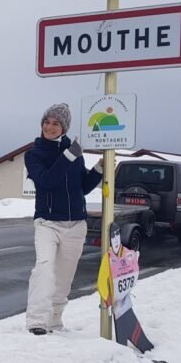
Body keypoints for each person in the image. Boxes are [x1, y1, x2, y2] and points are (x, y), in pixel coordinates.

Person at [24, 103, 103, 335]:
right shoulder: (34, 154)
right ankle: (37, 321)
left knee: (64, 277)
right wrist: (68, 156)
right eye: (46, 122)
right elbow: (47, 181)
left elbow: (83, 187)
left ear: (64, 127)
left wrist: (98, 170)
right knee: (44, 268)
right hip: (47, 223)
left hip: (76, 224)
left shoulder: (74, 153)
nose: (49, 127)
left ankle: (55, 321)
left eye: (55, 123)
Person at [97, 221, 154, 353]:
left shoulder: (126, 253)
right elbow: (101, 282)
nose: (115, 238)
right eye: (112, 235)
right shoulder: (108, 258)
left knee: (128, 325)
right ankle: (124, 350)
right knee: (124, 328)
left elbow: (133, 269)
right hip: (116, 303)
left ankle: (131, 348)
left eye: (117, 234)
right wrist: (107, 298)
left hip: (124, 301)